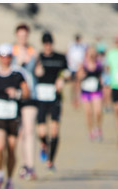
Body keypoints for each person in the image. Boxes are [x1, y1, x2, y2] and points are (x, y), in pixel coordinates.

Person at [0, 43, 29, 189]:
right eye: (2, 56)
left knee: (11, 149)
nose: (5, 59)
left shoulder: (18, 74)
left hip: (13, 116)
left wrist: (16, 93)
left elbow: (27, 93)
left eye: (8, 56)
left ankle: (9, 179)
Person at [34, 32, 69, 171]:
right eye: (45, 43)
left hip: (55, 97)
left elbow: (68, 72)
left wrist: (62, 79)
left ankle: (51, 160)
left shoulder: (60, 58)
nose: (47, 46)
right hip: (41, 97)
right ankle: (44, 145)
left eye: (49, 43)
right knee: (42, 131)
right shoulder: (38, 58)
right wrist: (35, 71)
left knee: (54, 130)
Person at [12, 23, 39, 181]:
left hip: (31, 94)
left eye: (25, 35)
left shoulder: (33, 51)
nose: (23, 38)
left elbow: (38, 72)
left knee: (29, 130)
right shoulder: (11, 52)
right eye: (20, 35)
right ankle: (24, 164)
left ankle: (31, 166)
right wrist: (18, 62)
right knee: (20, 133)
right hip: (15, 96)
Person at [77, 45, 104, 141]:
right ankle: (90, 131)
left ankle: (98, 128)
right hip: (86, 91)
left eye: (93, 52)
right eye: (90, 52)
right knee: (88, 113)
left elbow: (102, 78)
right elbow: (78, 79)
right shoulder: (83, 65)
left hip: (96, 91)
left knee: (97, 112)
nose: (92, 54)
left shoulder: (99, 65)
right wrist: (81, 75)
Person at [66, 34, 87, 109]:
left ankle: (78, 99)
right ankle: (73, 99)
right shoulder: (71, 45)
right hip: (72, 67)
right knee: (73, 84)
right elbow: (68, 55)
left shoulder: (83, 46)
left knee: (78, 83)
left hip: (80, 68)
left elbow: (85, 55)